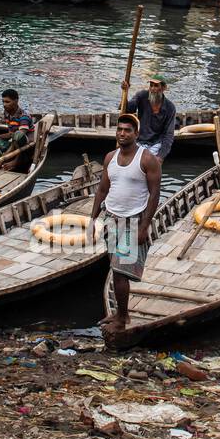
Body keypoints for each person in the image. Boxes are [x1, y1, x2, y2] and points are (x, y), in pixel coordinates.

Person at [92, 114, 162, 334]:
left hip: (133, 222)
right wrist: (93, 217)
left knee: (120, 272)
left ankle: (122, 319)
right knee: (115, 268)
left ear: (136, 134)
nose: (122, 133)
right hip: (111, 218)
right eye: (119, 129)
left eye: (127, 130)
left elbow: (154, 195)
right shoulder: (110, 157)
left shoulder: (147, 159)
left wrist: (144, 227)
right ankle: (121, 313)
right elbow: (103, 189)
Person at [123, 75, 177, 161]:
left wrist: (160, 157)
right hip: (140, 140)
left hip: (156, 143)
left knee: (149, 163)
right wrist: (125, 92)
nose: (152, 89)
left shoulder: (170, 107)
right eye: (151, 85)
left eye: (156, 86)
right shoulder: (142, 96)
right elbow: (127, 110)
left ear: (163, 88)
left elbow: (169, 135)